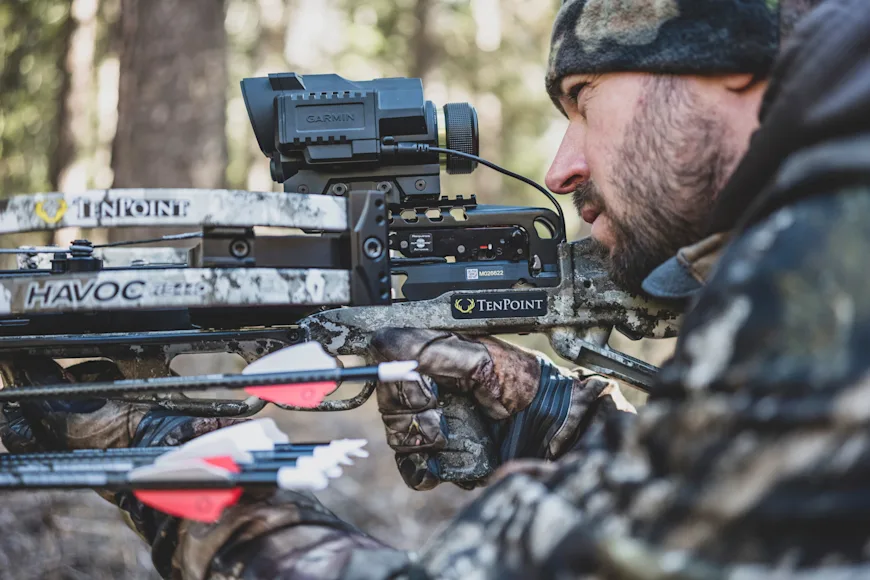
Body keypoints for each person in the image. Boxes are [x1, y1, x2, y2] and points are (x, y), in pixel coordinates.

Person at [3, 0, 867, 577]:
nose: (561, 168)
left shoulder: (826, 266)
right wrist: (544, 409)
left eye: (585, 96)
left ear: (730, 64)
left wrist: (186, 479)